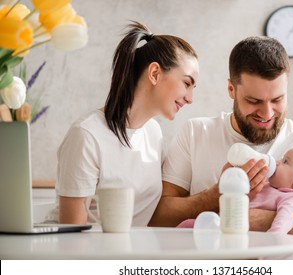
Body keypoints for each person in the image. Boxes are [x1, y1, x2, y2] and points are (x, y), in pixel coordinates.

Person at [149, 36, 293, 248]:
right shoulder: (196, 133)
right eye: (254, 101)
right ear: (231, 90)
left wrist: (248, 219)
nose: (266, 113)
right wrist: (215, 196)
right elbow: (158, 216)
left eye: (277, 100)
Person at [49, 21, 199, 226]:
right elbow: (72, 237)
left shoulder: (153, 133)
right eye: (187, 83)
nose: (190, 98)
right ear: (154, 73)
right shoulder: (86, 136)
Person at [176, 146, 293, 234]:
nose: (276, 162)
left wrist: (273, 239)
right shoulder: (268, 184)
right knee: (186, 225)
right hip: (224, 226)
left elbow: (285, 219)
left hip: (245, 238)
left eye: (285, 162)